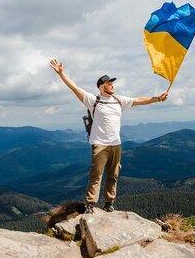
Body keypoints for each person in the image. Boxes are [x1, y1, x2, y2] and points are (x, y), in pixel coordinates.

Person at [49, 58, 169, 213]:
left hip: (116, 144)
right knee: (96, 175)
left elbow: (139, 100)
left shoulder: (119, 100)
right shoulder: (94, 100)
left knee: (113, 175)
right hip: (99, 144)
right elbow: (75, 88)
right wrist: (61, 73)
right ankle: (90, 205)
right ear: (101, 86)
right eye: (109, 83)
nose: (112, 85)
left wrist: (158, 98)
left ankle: (109, 203)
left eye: (112, 83)